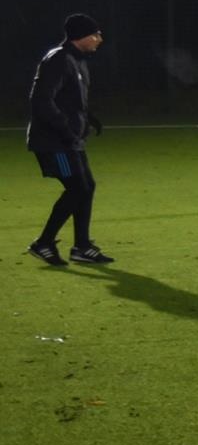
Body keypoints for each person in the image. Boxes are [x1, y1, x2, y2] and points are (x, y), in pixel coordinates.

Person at [25, 13, 111, 266]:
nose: (99, 39)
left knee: (87, 187)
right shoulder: (58, 59)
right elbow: (41, 101)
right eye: (95, 34)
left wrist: (88, 118)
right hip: (54, 143)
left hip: (70, 140)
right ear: (81, 36)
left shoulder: (78, 61)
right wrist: (65, 128)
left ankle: (81, 247)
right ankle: (43, 243)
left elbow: (69, 100)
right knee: (78, 188)